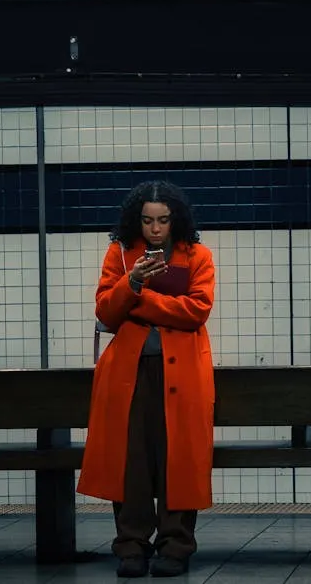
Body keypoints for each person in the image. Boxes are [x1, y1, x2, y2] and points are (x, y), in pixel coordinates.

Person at [76, 180, 217, 578]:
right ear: (136, 221)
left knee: (178, 459)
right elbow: (105, 311)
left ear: (176, 220)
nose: (155, 228)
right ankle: (131, 548)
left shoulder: (198, 255)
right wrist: (132, 282)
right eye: (148, 221)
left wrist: (142, 301)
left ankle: (175, 547)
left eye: (163, 221)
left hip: (184, 372)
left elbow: (196, 311)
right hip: (129, 372)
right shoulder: (120, 255)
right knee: (131, 460)